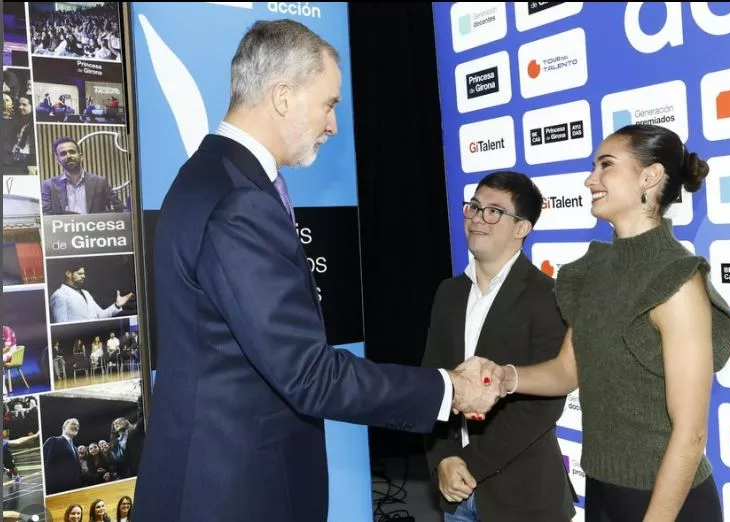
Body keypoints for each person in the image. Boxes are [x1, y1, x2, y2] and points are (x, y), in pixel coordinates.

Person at [133, 19, 502, 522]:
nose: (333, 124)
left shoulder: (207, 174)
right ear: (282, 96)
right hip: (233, 492)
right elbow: (308, 374)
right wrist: (449, 389)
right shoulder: (239, 200)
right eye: (329, 104)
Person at [483, 124, 730, 521]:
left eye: (606, 166)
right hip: (602, 492)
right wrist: (505, 378)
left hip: (669, 503)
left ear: (649, 176)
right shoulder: (594, 270)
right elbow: (567, 370)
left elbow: (691, 435)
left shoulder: (677, 280)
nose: (590, 180)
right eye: (593, 167)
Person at [422, 171, 576, 522]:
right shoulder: (449, 293)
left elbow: (543, 405)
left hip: (523, 498)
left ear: (522, 228)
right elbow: (434, 382)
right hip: (454, 493)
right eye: (474, 207)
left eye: (494, 211)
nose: (477, 218)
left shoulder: (548, 296)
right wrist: (444, 458)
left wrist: (467, 464)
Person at [41, 137, 124, 215]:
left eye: (72, 152)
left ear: (81, 156)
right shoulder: (49, 185)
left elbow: (120, 209)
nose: (69, 156)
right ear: (58, 160)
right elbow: (46, 215)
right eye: (63, 154)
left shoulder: (100, 182)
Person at [49, 264, 133, 323]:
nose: (84, 276)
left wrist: (116, 305)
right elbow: (61, 326)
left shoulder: (86, 293)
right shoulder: (59, 295)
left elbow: (100, 316)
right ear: (68, 274)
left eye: (84, 273)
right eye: (80, 273)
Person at [43, 418, 82, 494]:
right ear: (64, 427)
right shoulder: (54, 440)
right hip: (58, 490)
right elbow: (46, 465)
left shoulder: (75, 448)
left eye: (78, 425)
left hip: (74, 489)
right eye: (73, 424)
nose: (76, 426)